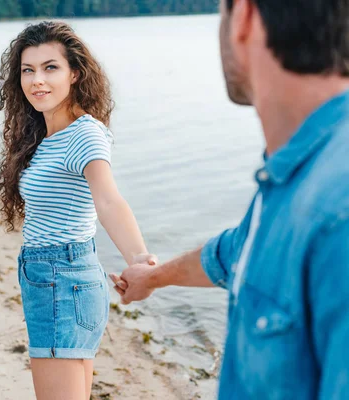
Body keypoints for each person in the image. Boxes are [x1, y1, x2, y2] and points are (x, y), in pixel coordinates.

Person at [110, 0, 349, 399]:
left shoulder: (335, 211)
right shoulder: (294, 176)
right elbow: (231, 255)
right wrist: (151, 278)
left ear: (244, 16)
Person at [0, 21, 156, 400]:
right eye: (27, 70)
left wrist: (141, 261)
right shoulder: (46, 136)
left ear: (75, 73)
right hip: (60, 278)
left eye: (51, 68)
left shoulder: (84, 134)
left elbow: (109, 200)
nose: (37, 81)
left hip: (60, 281)